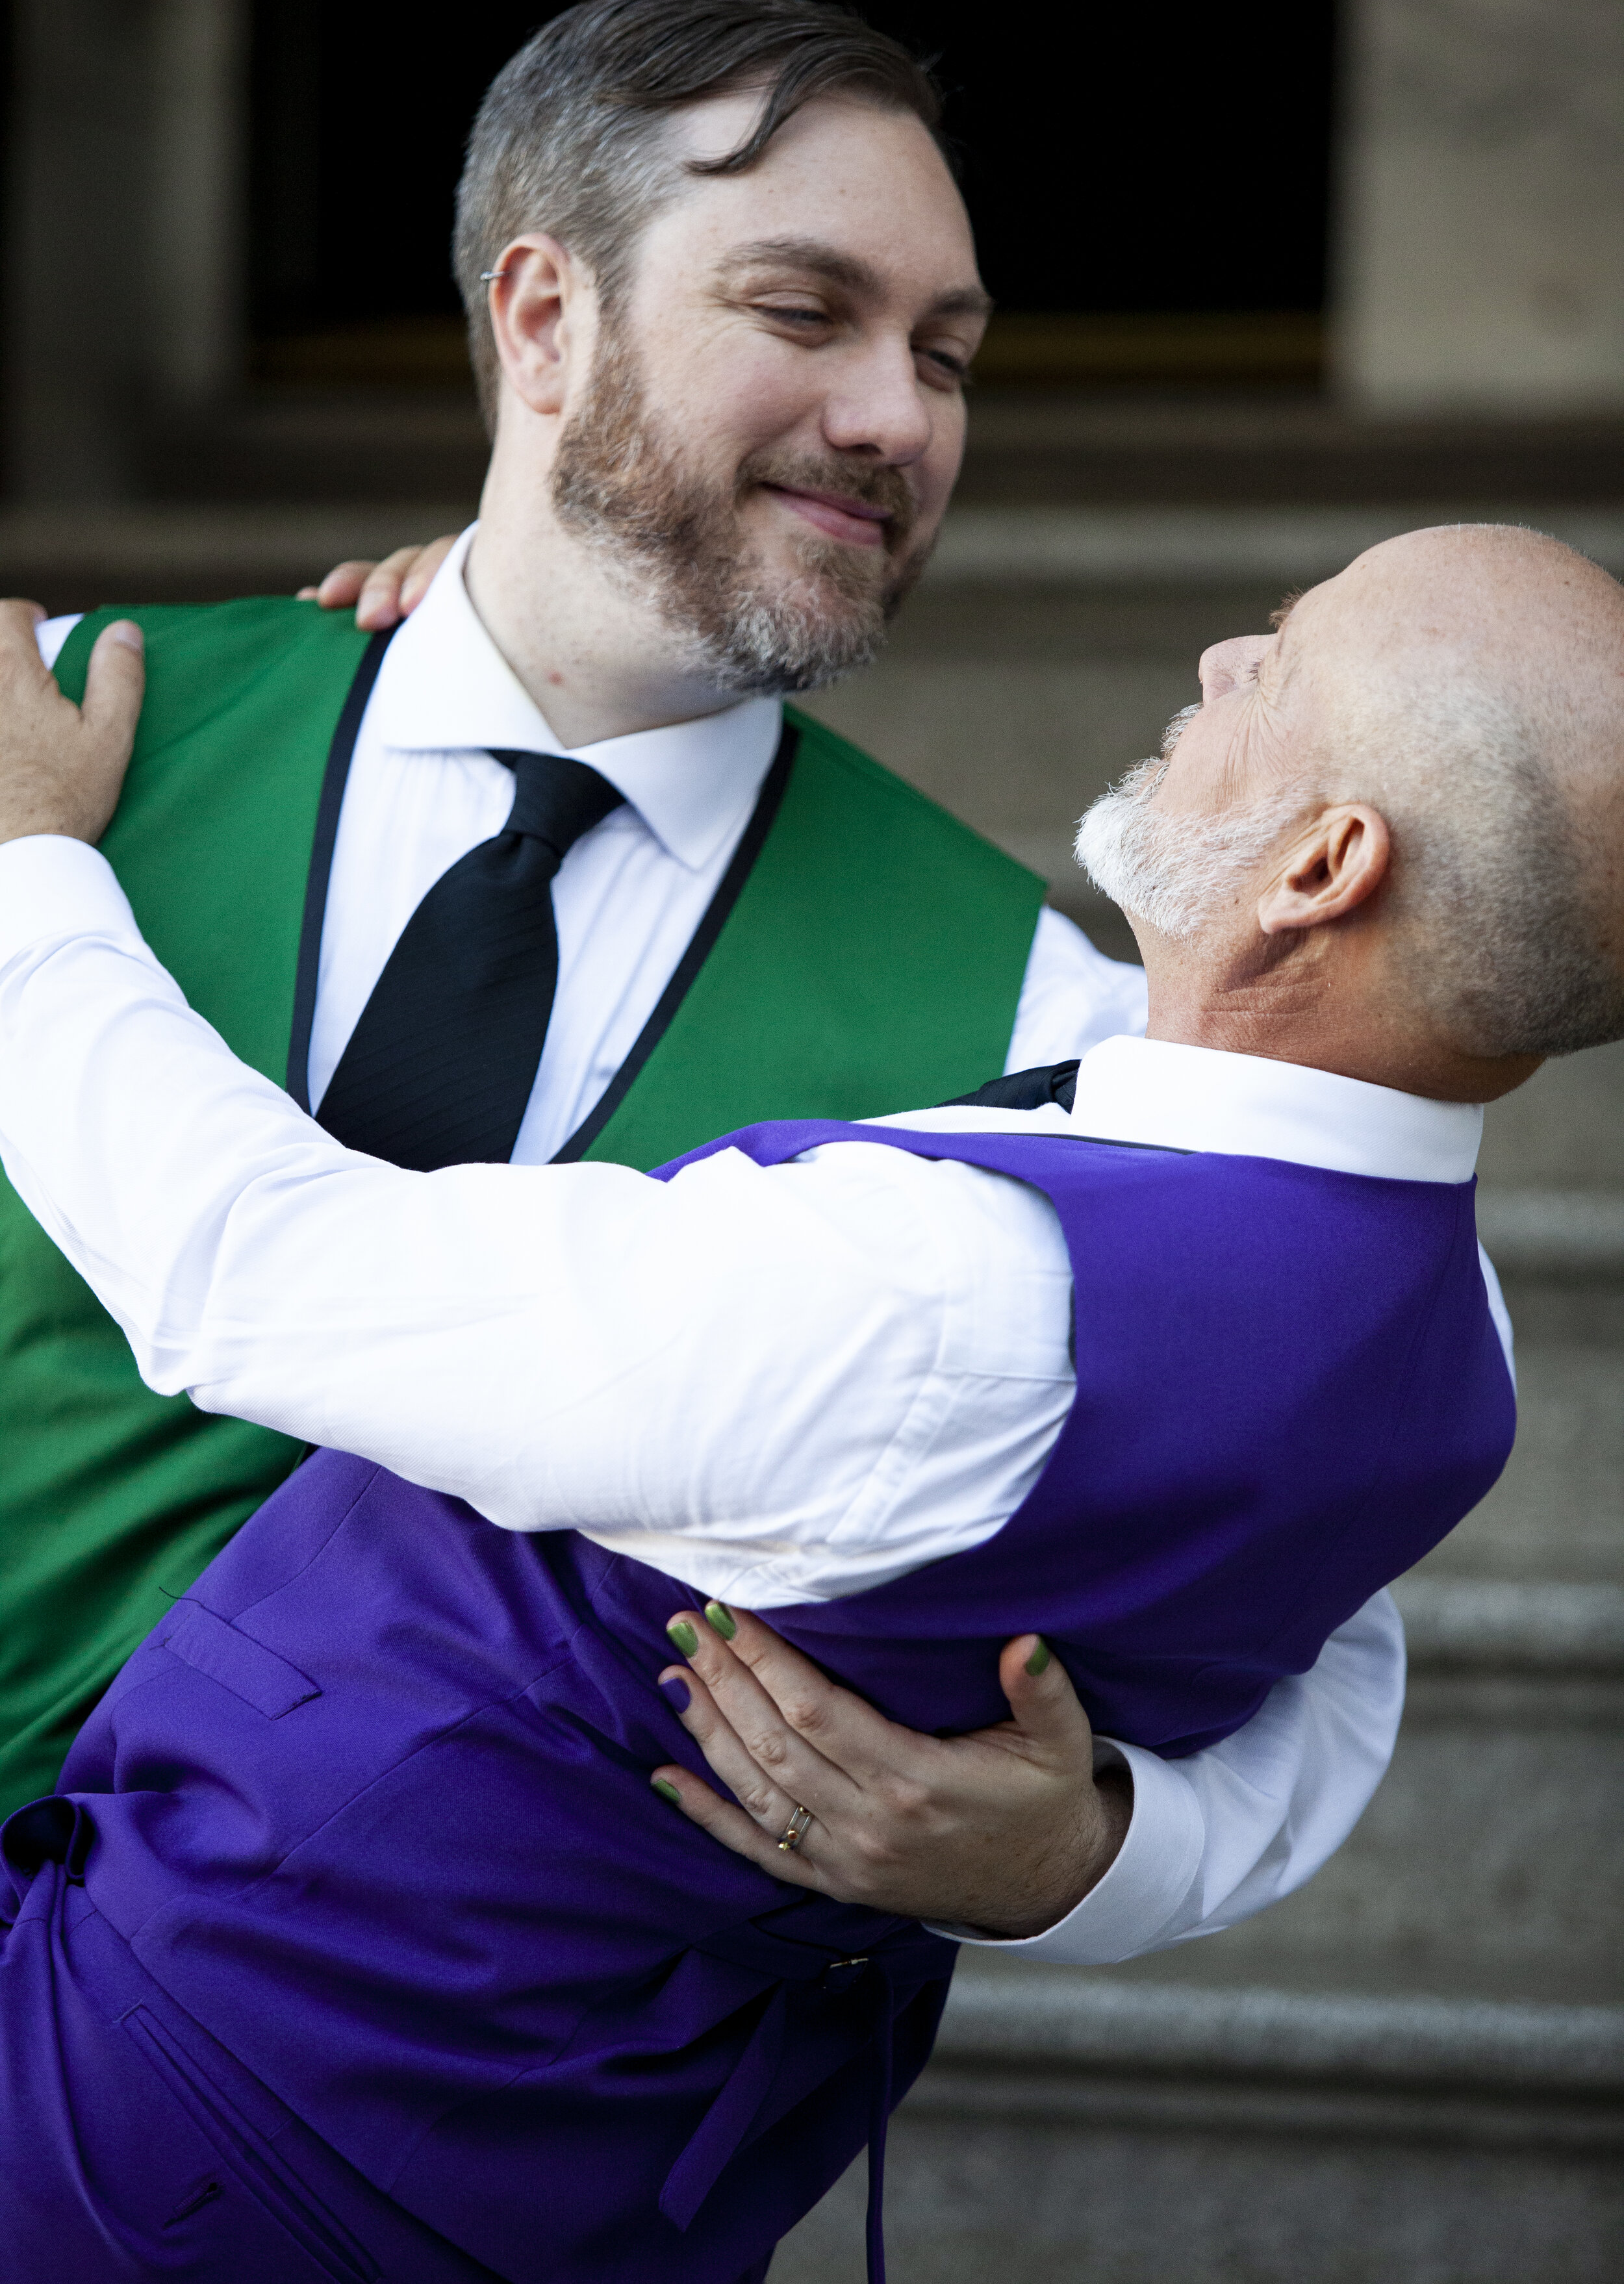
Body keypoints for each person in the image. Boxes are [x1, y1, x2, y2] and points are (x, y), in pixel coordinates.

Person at [4, 520, 1619, 2282]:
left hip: (224, 2115)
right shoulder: (1449, 1339)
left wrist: (27, 868)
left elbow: (247, 1271)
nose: (1222, 658)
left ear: (1321, 866)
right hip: (612, 2177)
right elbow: (1330, 1651)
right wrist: (1106, 1854)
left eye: (1282, 658)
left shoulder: (941, 1294)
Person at [0, 0, 1398, 1960]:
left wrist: (1100, 1853)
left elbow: (1315, 1572)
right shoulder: (52, 744)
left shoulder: (1039, 1016)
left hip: (483, 2090)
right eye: (804, 311)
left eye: (945, 354)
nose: (899, 418)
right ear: (543, 322)